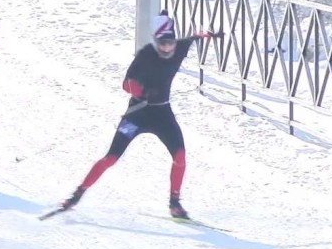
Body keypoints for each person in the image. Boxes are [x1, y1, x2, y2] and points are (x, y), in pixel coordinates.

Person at [51, 11, 220, 219]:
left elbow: (195, 37)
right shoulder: (145, 55)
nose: (167, 47)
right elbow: (125, 83)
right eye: (162, 43)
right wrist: (140, 90)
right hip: (137, 114)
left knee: (180, 157)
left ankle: (174, 203)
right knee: (111, 158)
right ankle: (76, 195)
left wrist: (210, 35)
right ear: (155, 41)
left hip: (162, 114)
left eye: (170, 43)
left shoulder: (180, 47)